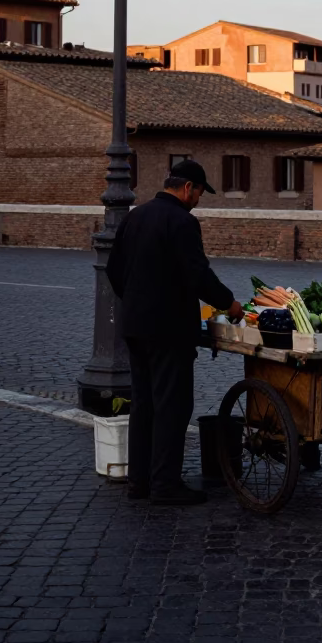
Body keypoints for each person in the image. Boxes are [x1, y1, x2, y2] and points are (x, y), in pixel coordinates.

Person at [106, 159, 243, 505]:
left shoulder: (135, 216)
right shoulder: (182, 221)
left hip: (134, 326)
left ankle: (139, 482)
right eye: (199, 193)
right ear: (187, 188)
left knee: (143, 404)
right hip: (168, 330)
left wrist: (135, 301)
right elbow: (198, 274)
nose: (198, 200)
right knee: (172, 406)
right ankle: (165, 484)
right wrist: (229, 303)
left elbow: (114, 270)